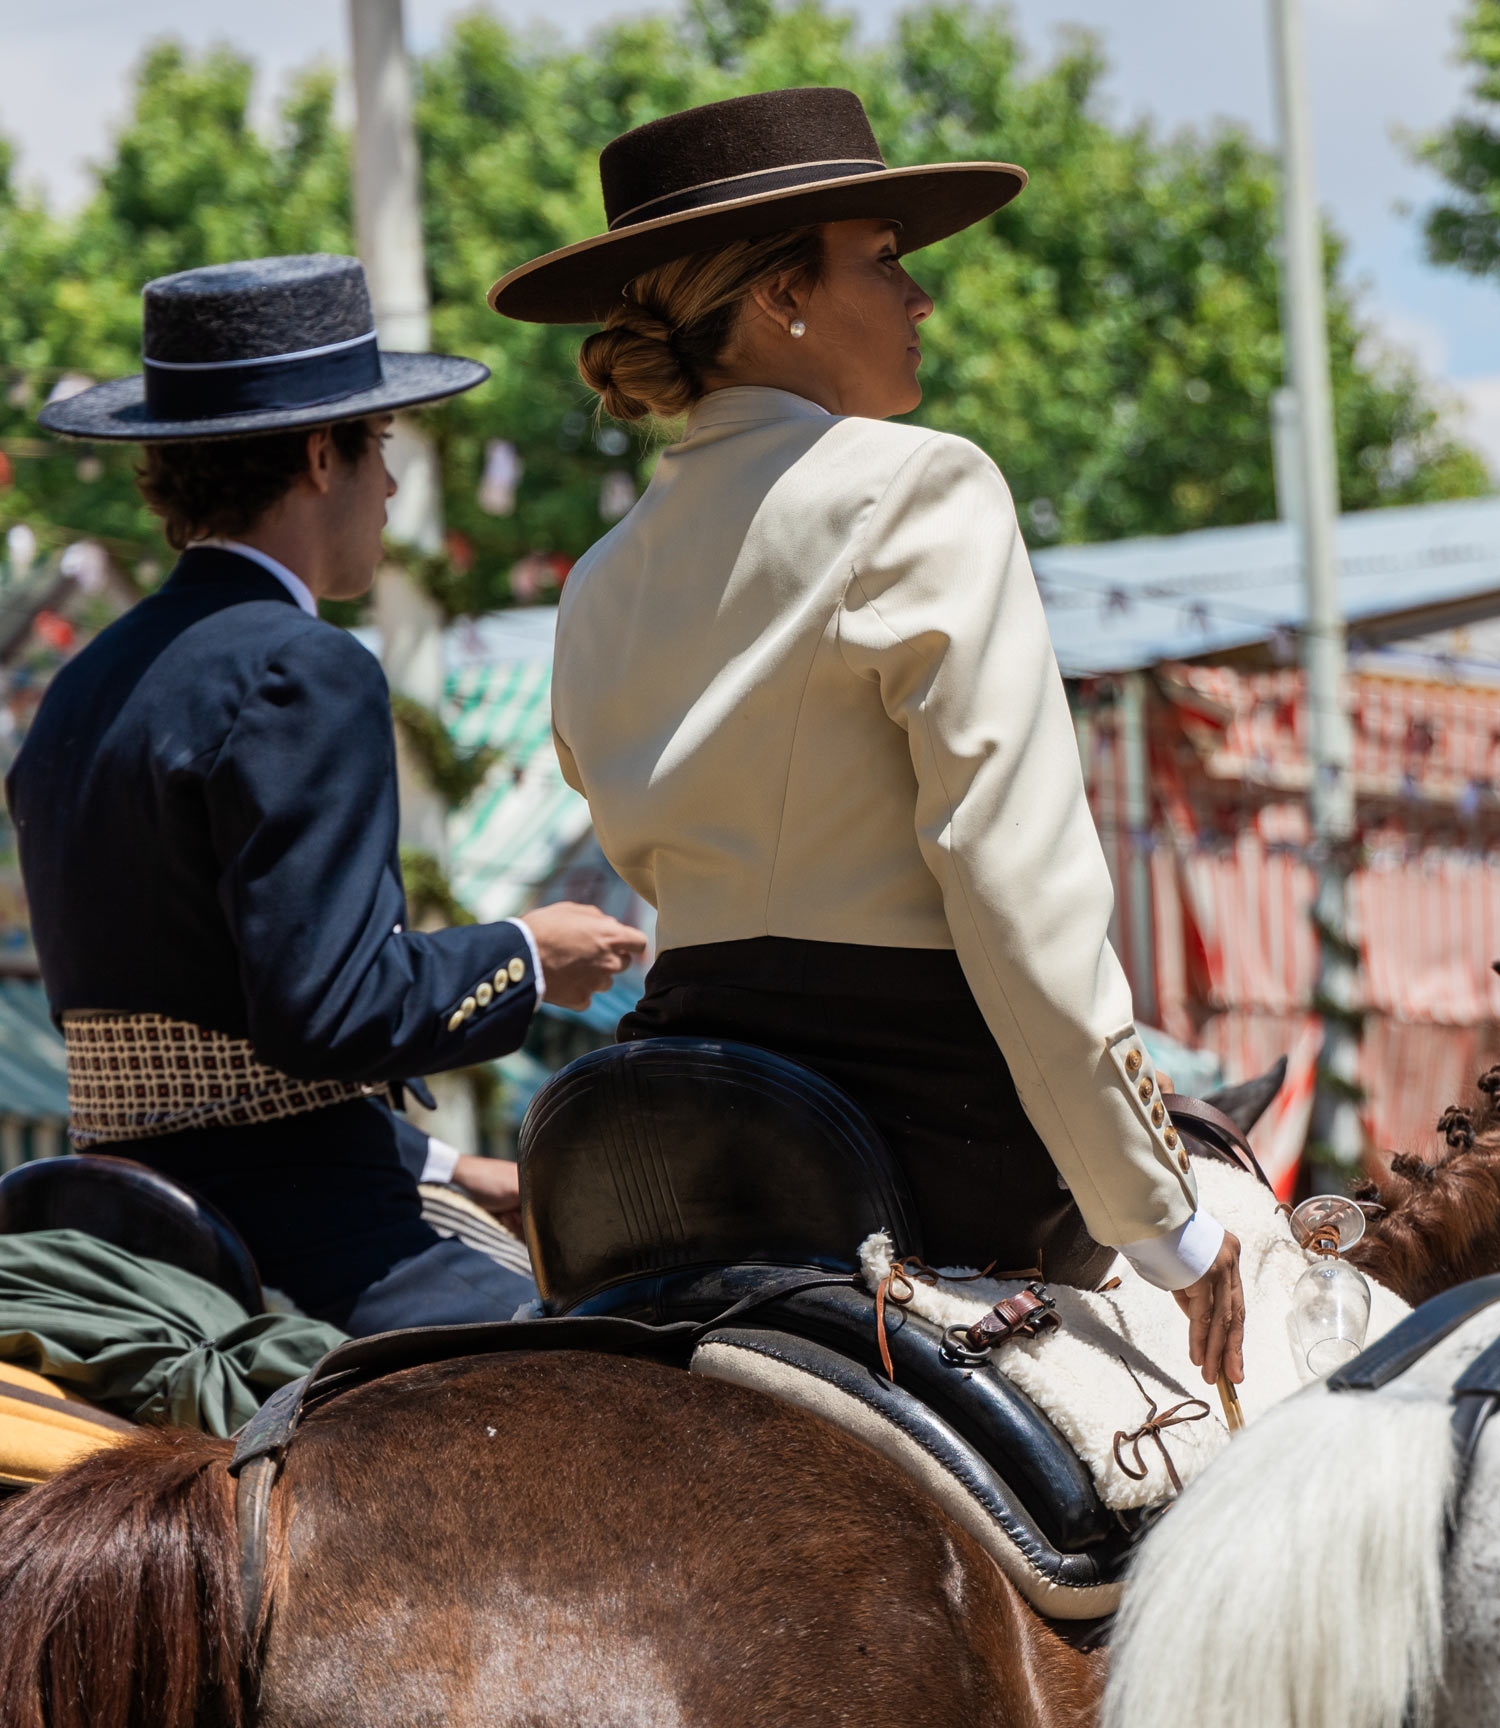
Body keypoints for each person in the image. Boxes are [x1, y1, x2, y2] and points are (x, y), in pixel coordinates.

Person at [490, 88, 1244, 1385]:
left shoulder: (599, 575)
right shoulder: (923, 484)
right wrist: (1166, 1223)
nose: (921, 298)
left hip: (662, 1121)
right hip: (924, 1135)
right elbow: (1020, 895)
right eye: (885, 260)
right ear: (782, 295)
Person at [8, 254, 645, 1334]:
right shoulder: (304, 666)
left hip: (117, 1217)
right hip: (295, 1235)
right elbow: (328, 1014)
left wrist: (446, 1162)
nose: (391, 489)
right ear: (320, 454)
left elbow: (205, 1045)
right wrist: (529, 957)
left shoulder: (85, 681)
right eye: (380, 450)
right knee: (647, 1380)